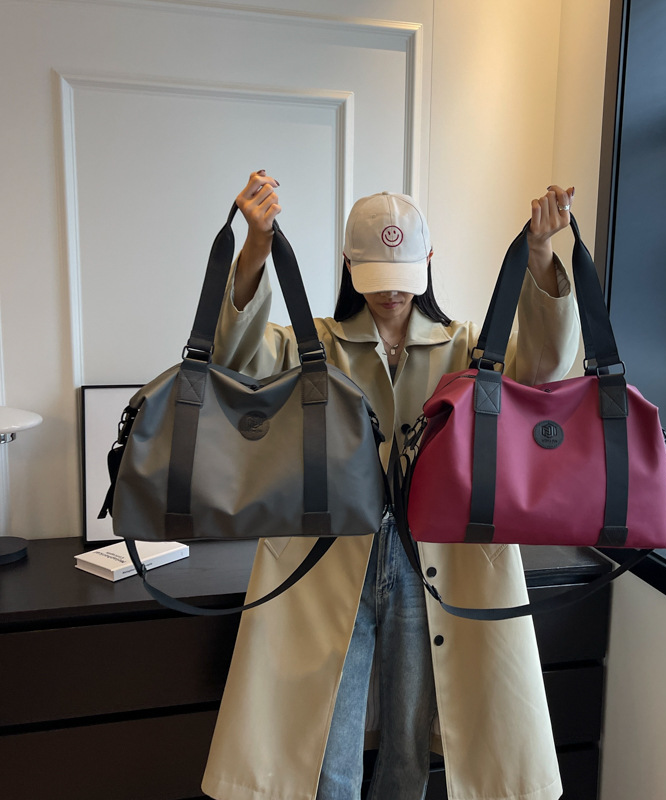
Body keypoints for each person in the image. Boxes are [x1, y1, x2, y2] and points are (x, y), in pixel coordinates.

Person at [201, 172, 581, 800]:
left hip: (432, 563)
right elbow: (235, 362)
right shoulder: (312, 345)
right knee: (327, 744)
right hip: (328, 561)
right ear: (349, 266)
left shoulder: (467, 346)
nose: (392, 294)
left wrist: (540, 255)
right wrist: (255, 251)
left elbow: (543, 372)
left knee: (409, 746)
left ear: (428, 261)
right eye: (376, 277)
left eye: (403, 276)